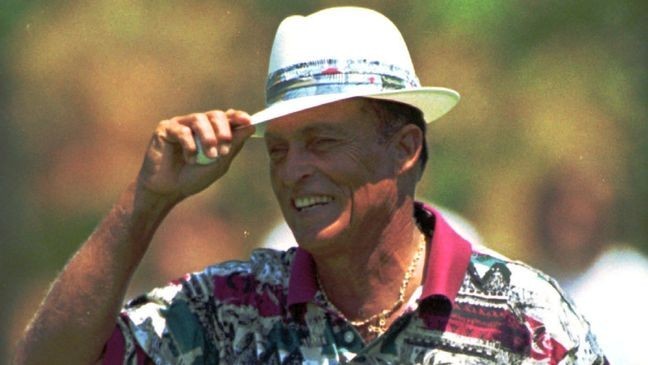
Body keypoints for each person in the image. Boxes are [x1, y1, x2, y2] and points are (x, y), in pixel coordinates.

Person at [15, 7, 606, 364]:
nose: (294, 170)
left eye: (322, 142)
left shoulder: (527, 322)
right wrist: (146, 202)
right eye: (279, 149)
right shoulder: (230, 311)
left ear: (404, 150)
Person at [534, 165, 648, 365]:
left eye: (580, 216)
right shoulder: (527, 283)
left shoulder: (635, 282)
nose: (571, 219)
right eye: (562, 211)